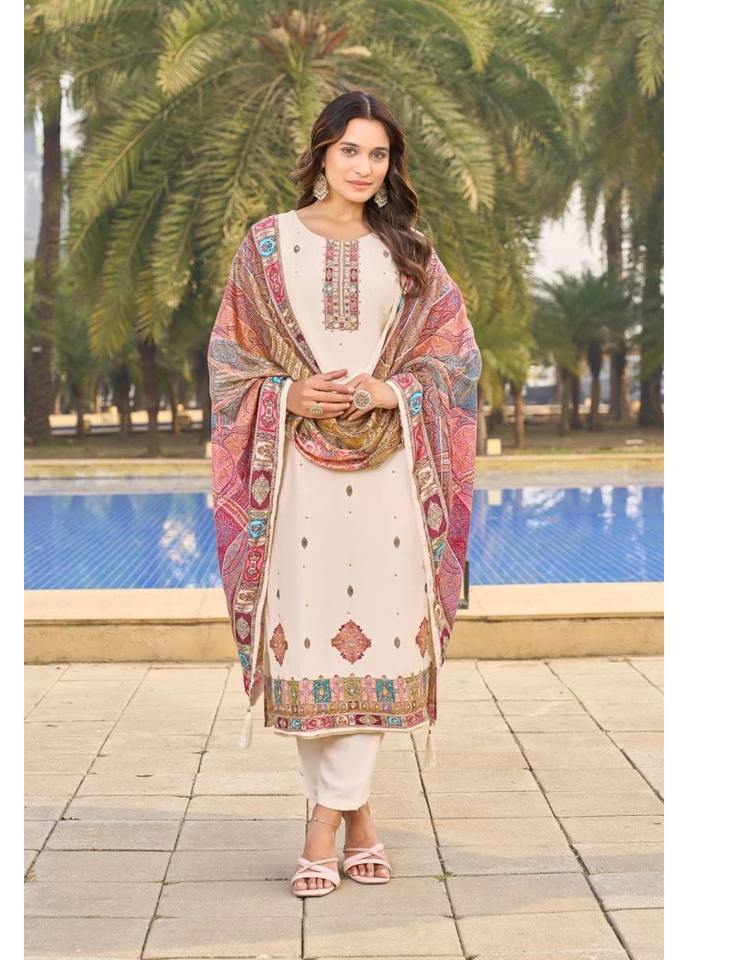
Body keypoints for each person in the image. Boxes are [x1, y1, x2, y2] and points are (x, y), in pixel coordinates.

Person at [208, 90, 480, 898]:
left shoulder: (411, 254)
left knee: (378, 646)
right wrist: (286, 395)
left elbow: (456, 361)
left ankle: (322, 826)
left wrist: (392, 392)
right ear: (321, 153)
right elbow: (230, 360)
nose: (364, 167)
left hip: (390, 474)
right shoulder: (267, 245)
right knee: (310, 649)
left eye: (379, 154)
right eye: (350, 150)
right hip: (297, 480)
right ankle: (359, 822)